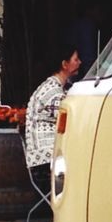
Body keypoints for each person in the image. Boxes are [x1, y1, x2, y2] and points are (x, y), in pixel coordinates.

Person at [25, 44, 81, 193]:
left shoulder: (54, 86)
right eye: (76, 59)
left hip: (44, 152)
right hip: (45, 157)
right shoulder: (54, 92)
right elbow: (71, 121)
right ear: (64, 64)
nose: (79, 62)